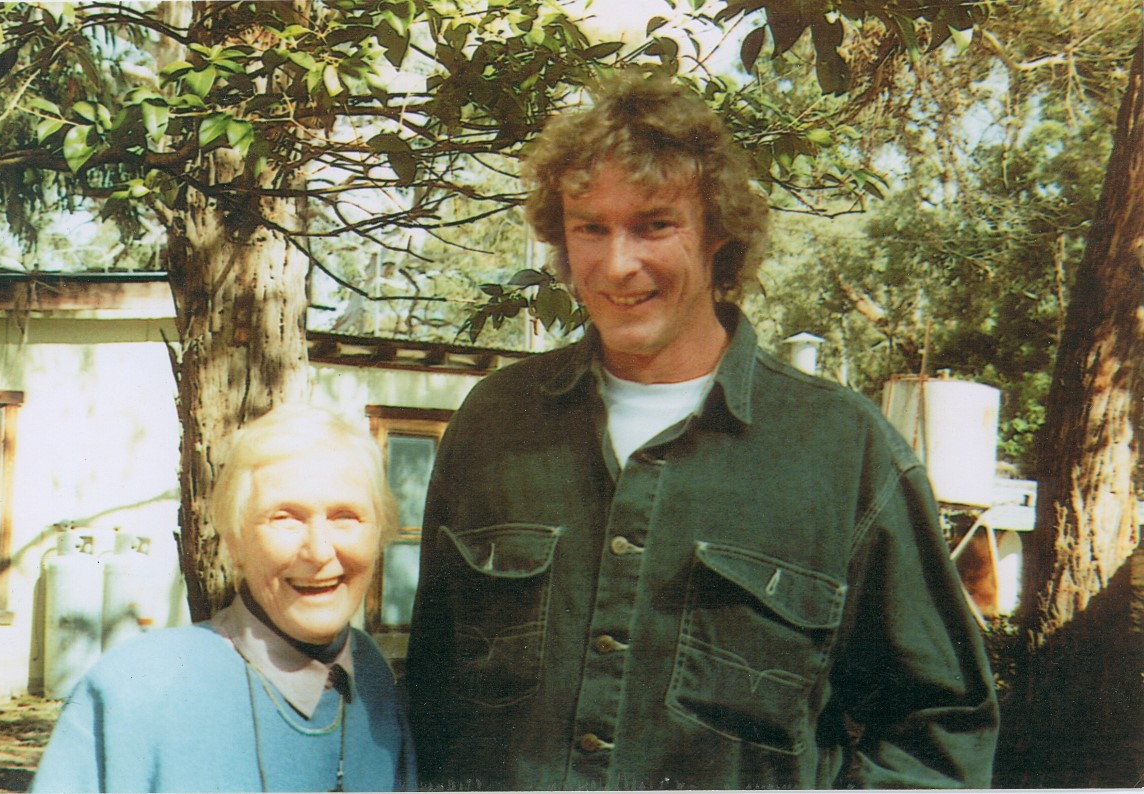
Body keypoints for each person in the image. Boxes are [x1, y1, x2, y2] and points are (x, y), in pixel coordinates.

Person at [405, 72, 998, 790]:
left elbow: (940, 735)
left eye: (655, 224)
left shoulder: (843, 451)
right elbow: (432, 705)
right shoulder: (493, 426)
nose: (619, 264)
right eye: (591, 227)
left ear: (719, 232)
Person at [32, 404, 415, 792]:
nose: (318, 551)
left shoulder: (372, 679)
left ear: (379, 535)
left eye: (345, 516)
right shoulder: (136, 688)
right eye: (285, 517)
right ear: (234, 542)